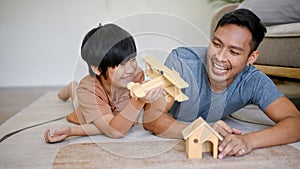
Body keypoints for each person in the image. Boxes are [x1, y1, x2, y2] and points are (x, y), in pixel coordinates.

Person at [142, 9, 300, 159]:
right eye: (217, 44)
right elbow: (152, 120)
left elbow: (295, 122)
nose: (220, 57)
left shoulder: (253, 80)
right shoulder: (183, 62)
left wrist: (249, 140)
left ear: (251, 58)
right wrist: (201, 130)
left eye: (234, 52)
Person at [44, 23, 165, 143]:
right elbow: (113, 131)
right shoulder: (87, 90)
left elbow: (117, 124)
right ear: (98, 69)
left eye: (132, 59)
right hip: (88, 100)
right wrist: (139, 101)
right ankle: (70, 87)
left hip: (108, 108)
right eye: (122, 64)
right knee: (75, 96)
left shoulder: (136, 75)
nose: (130, 70)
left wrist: (71, 131)